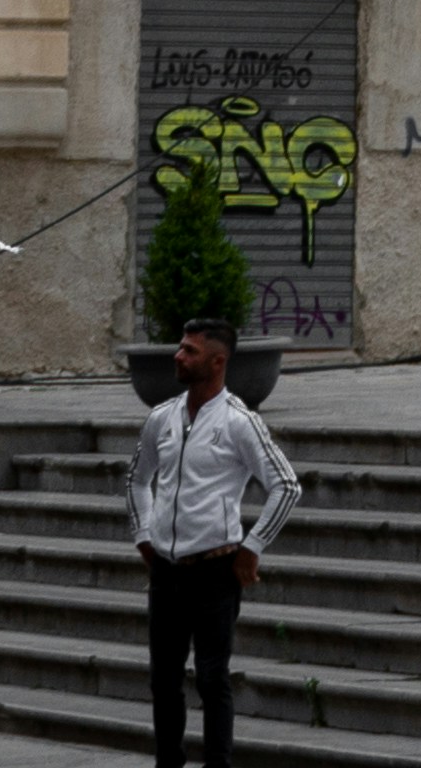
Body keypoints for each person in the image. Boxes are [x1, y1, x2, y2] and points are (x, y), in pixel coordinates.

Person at [125, 315, 301, 768]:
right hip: (166, 570)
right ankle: (169, 761)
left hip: (214, 571)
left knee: (211, 677)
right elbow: (137, 479)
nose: (178, 356)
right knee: (164, 679)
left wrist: (252, 545)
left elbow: (286, 485)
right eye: (180, 347)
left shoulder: (240, 422)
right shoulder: (161, 417)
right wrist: (144, 533)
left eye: (190, 351)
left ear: (218, 361)